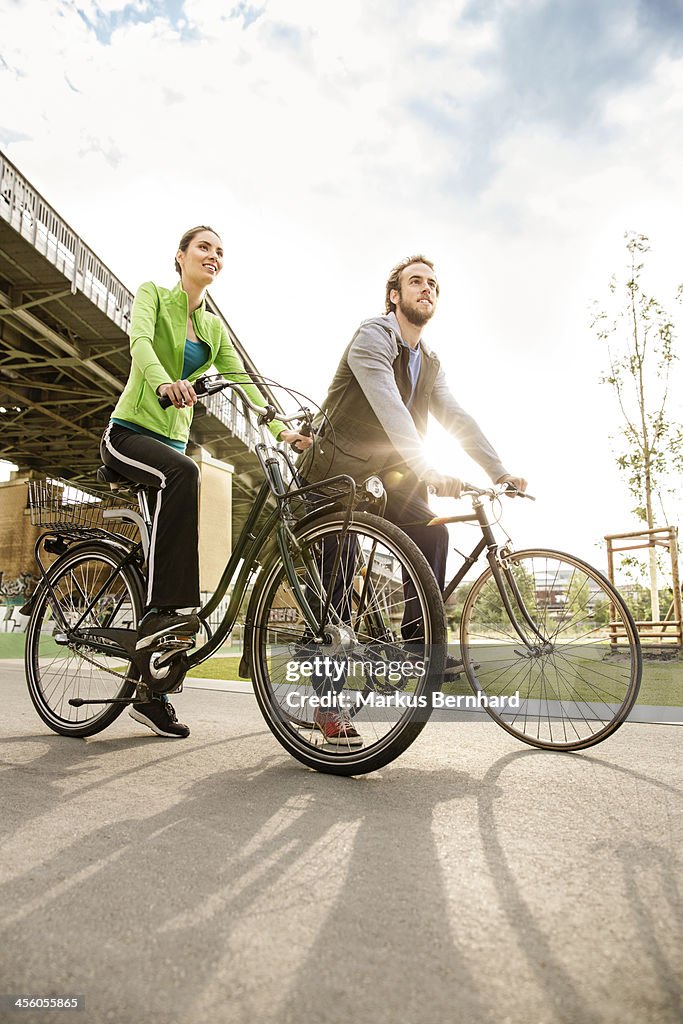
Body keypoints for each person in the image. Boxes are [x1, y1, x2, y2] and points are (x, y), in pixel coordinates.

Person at [298, 254, 527, 744]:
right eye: (416, 282)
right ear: (393, 295)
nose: (427, 289)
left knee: (434, 527)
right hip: (336, 469)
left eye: (434, 285)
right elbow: (391, 409)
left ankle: (415, 643)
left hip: (388, 472)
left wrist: (499, 470)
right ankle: (327, 704)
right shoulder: (372, 338)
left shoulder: (431, 362)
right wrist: (428, 468)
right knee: (339, 570)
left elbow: (456, 418)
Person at [101, 225, 312, 738]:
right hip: (128, 435)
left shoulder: (213, 330)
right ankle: (170, 614)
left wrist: (282, 426)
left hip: (169, 448)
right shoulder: (154, 295)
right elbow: (141, 345)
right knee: (187, 472)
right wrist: (164, 384)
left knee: (174, 511)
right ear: (180, 256)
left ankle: (150, 691)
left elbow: (246, 382)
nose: (213, 255)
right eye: (204, 247)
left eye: (220, 251)